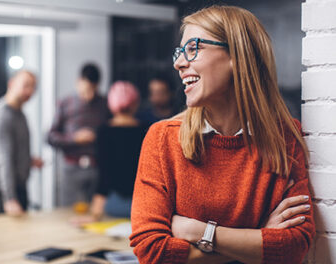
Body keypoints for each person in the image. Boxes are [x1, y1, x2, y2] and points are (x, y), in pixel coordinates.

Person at [129, 5, 315, 264]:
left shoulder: (285, 137)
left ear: (237, 56)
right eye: (180, 52)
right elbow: (152, 251)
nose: (179, 63)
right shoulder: (162, 139)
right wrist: (258, 237)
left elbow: (294, 247)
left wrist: (199, 232)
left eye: (193, 48)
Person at [73, 81, 149, 225]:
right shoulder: (147, 130)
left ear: (111, 104)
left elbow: (104, 175)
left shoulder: (104, 132)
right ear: (135, 103)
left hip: (114, 204)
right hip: (143, 204)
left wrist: (95, 214)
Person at [48, 63, 109, 207]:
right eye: (87, 89)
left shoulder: (104, 103)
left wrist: (97, 137)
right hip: (71, 167)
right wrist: (74, 139)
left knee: (96, 213)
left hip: (96, 167)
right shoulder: (65, 103)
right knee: (68, 212)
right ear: (78, 82)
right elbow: (51, 136)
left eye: (94, 89)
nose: (90, 95)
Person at [0, 70, 43, 217]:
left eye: (33, 87)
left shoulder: (20, 114)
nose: (30, 91)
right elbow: (3, 159)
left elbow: (14, 151)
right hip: (2, 188)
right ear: (11, 84)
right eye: (26, 85)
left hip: (18, 184)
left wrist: (28, 161)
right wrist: (9, 198)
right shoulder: (2, 116)